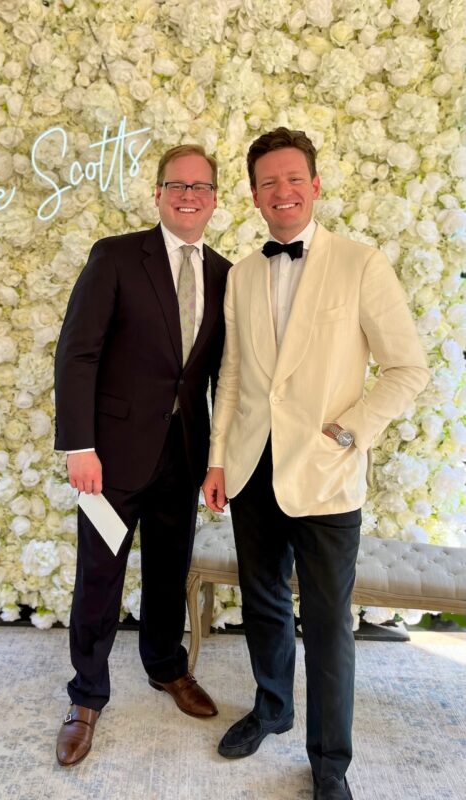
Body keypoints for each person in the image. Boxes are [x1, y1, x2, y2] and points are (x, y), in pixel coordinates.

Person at [202, 128, 429, 800]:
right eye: (268, 182)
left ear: (315, 185)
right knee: (266, 603)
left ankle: (329, 761)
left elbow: (406, 368)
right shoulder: (242, 273)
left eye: (292, 178)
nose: (282, 192)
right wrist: (217, 460)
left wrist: (347, 431)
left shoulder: (360, 264)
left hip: (326, 473)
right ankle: (272, 707)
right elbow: (236, 374)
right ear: (253, 196)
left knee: (328, 623)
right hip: (250, 469)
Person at [54, 144, 231, 767]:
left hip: (182, 456)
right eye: (176, 185)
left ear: (214, 198)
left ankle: (165, 667)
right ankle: (86, 696)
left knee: (167, 570)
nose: (189, 196)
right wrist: (80, 445)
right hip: (108, 458)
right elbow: (77, 353)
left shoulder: (224, 272)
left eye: (201, 187)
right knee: (99, 579)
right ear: (157, 194)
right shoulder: (116, 256)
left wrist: (218, 459)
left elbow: (221, 378)